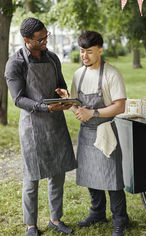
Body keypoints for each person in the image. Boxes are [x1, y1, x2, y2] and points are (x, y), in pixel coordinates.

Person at [4, 17, 76, 236]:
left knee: (58, 174)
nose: (45, 41)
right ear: (27, 40)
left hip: (55, 123)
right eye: (40, 38)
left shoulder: (53, 58)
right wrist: (44, 108)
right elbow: (18, 99)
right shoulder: (15, 63)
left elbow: (60, 84)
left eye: (47, 36)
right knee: (32, 176)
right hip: (33, 127)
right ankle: (31, 225)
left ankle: (55, 219)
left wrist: (63, 94)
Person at [58, 31, 129, 236]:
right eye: (81, 51)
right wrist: (68, 101)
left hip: (106, 130)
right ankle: (97, 212)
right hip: (86, 132)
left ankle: (120, 220)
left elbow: (120, 107)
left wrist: (94, 112)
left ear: (100, 50)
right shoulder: (78, 75)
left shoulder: (111, 74)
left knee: (112, 178)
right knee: (90, 174)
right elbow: (77, 107)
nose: (84, 56)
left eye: (89, 51)